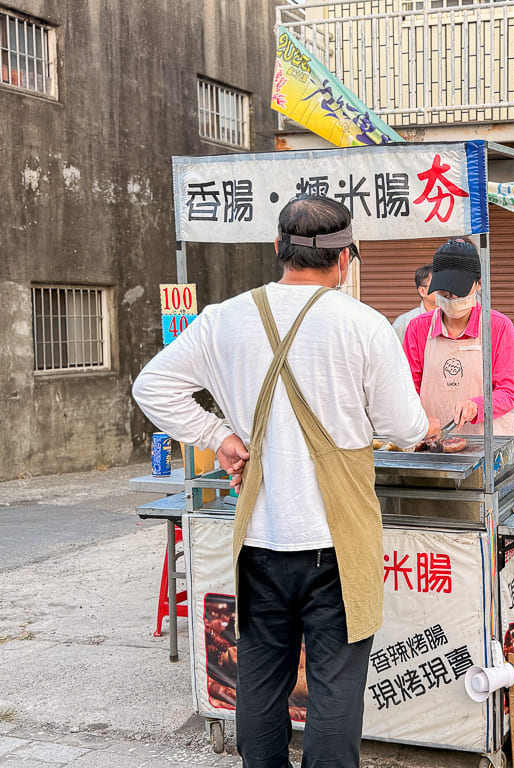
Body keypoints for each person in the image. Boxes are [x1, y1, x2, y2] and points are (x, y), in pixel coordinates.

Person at [133, 195, 436, 768]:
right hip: (338, 547)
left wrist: (217, 436)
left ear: (277, 248)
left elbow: (152, 387)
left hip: (260, 542)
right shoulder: (366, 326)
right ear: (345, 259)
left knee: (260, 683)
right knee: (334, 695)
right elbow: (406, 426)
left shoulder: (223, 318)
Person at [403, 237, 514, 436]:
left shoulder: (498, 326)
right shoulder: (418, 327)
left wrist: (477, 405)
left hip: (487, 439)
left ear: (479, 284)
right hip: (433, 440)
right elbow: (407, 387)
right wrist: (417, 418)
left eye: (458, 292)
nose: (450, 299)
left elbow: (508, 392)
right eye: (444, 292)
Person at [391, 263, 435, 341]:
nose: (442, 289)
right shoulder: (405, 322)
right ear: (422, 291)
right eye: (436, 285)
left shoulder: (452, 319)